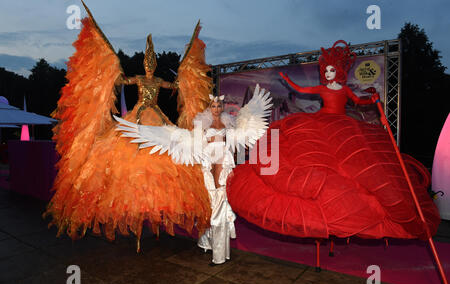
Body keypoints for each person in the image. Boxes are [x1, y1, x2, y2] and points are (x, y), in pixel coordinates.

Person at [226, 40, 440, 241]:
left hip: (343, 125)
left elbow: (358, 100)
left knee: (360, 163)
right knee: (290, 151)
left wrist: (373, 97)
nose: (327, 73)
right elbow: (302, 89)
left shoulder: (344, 89)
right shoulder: (322, 88)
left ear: (338, 72)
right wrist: (288, 80)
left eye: (331, 70)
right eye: (325, 70)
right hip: (322, 121)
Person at [44, 3, 212, 252]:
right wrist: (111, 67)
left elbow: (173, 86)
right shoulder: (141, 79)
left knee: (164, 161)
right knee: (129, 159)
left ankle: (153, 217)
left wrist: (184, 76)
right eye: (148, 63)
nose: (150, 66)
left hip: (156, 117)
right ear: (146, 65)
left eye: (152, 63)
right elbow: (124, 80)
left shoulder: (156, 80)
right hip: (140, 117)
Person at [115, 84, 273, 264]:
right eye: (213, 106)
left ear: (222, 107)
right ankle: (207, 242)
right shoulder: (201, 127)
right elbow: (177, 138)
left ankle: (219, 256)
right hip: (207, 163)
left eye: (219, 106)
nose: (216, 109)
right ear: (210, 108)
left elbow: (243, 135)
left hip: (223, 163)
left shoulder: (230, 125)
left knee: (219, 208)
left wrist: (253, 108)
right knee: (209, 205)